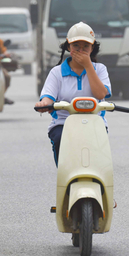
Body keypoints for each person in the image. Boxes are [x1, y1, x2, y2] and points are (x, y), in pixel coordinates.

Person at [35, 22, 111, 167]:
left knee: (98, 157)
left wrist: (88, 66)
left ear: (92, 48)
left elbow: (101, 94)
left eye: (85, 47)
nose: (80, 50)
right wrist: (43, 104)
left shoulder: (100, 69)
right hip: (63, 123)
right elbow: (47, 97)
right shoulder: (56, 72)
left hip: (94, 122)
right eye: (76, 46)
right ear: (68, 46)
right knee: (59, 139)